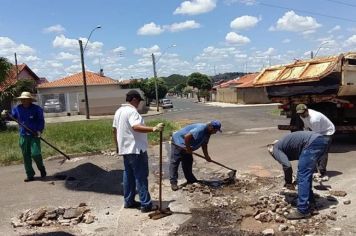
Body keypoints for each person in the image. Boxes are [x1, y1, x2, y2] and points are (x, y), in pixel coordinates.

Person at [112, 90, 165, 213]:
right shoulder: (132, 111)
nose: (139, 104)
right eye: (139, 101)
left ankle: (129, 201)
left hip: (125, 149)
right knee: (141, 176)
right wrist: (154, 129)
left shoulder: (119, 111)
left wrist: (118, 146)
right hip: (136, 149)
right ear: (134, 99)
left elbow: (114, 130)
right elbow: (136, 126)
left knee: (128, 176)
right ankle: (146, 204)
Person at [267, 131, 329, 219]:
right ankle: (310, 202)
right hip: (321, 140)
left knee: (303, 175)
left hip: (312, 142)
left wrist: (288, 182)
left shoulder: (275, 148)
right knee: (304, 175)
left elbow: (287, 166)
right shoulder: (285, 144)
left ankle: (302, 210)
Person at [1, 91, 46, 182]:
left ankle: (41, 168)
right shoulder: (17, 109)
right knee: (26, 156)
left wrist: (39, 130)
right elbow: (11, 117)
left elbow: (41, 120)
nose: (23, 101)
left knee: (36, 154)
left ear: (30, 100)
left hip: (34, 135)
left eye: (25, 99)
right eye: (22, 99)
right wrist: (6, 114)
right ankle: (30, 175)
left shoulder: (37, 109)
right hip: (23, 136)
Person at [169, 120, 222, 191]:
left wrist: (207, 156)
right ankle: (173, 183)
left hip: (187, 146)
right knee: (175, 162)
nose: (215, 132)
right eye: (215, 130)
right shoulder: (201, 129)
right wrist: (188, 149)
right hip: (178, 141)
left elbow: (204, 144)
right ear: (211, 127)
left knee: (188, 161)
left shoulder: (208, 133)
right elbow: (187, 137)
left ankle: (190, 179)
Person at [296, 104, 335, 177]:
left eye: (303, 113)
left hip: (327, 132)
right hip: (317, 131)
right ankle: (314, 170)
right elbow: (306, 127)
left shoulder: (314, 118)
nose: (301, 115)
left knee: (322, 151)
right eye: (299, 113)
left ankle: (322, 172)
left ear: (307, 110)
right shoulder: (302, 115)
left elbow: (317, 135)